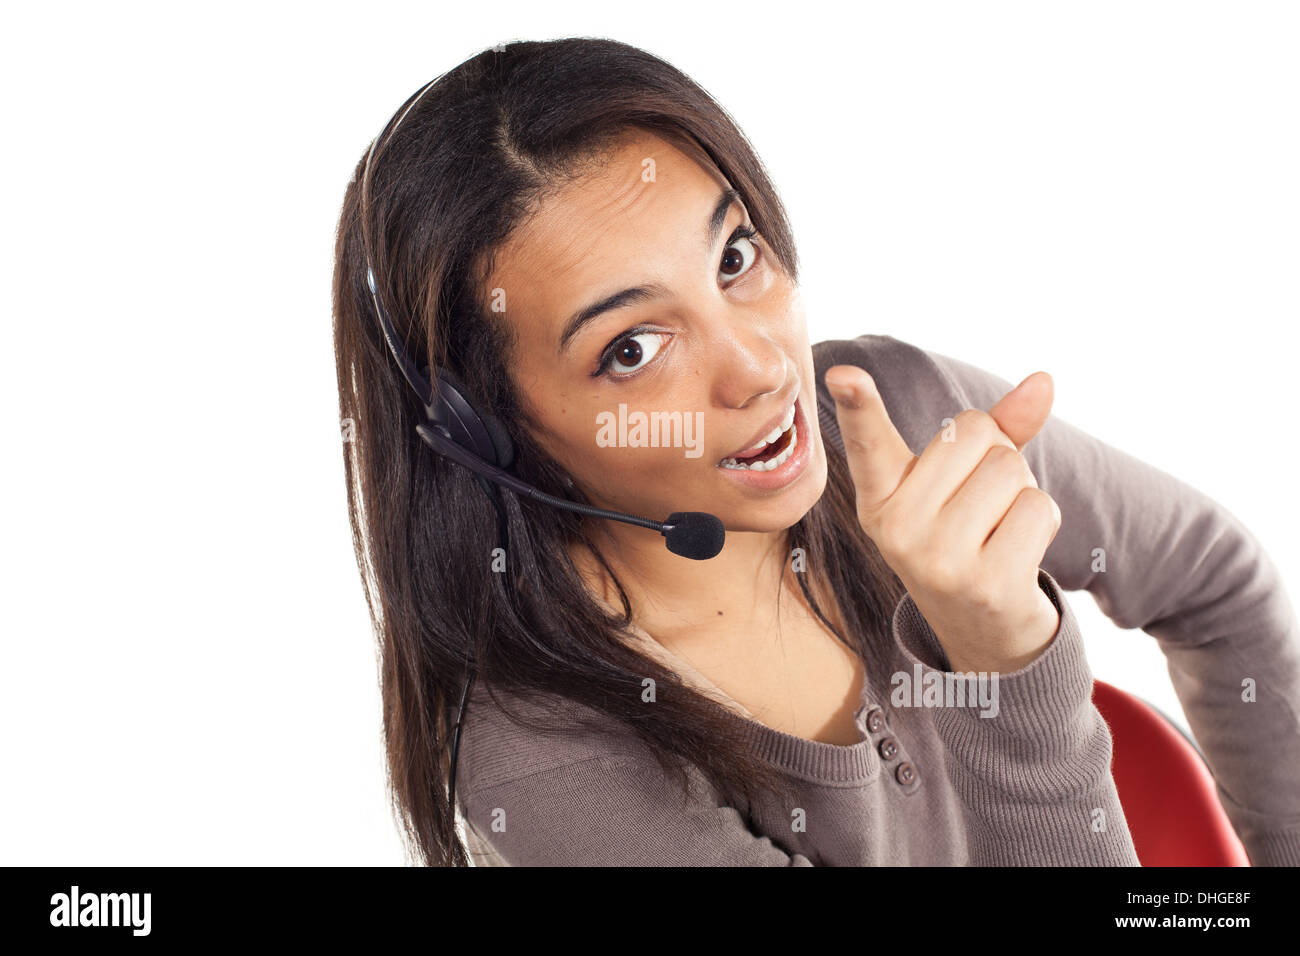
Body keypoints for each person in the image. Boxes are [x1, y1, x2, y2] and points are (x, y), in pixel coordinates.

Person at [331, 38, 1300, 866]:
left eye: (733, 257)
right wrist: (1004, 663)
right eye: (631, 347)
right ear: (488, 431)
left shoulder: (898, 409)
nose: (758, 366)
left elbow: (1216, 584)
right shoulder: (549, 771)